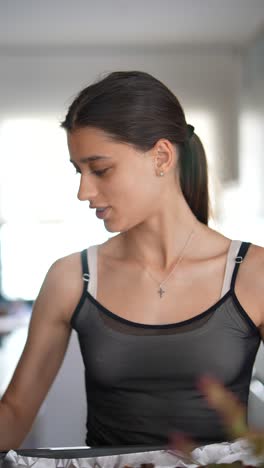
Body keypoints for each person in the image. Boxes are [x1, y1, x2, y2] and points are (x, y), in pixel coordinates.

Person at [0, 70, 263, 450]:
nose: (83, 191)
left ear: (161, 156)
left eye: (100, 169)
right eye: (78, 171)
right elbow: (13, 413)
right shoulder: (71, 278)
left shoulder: (253, 274)